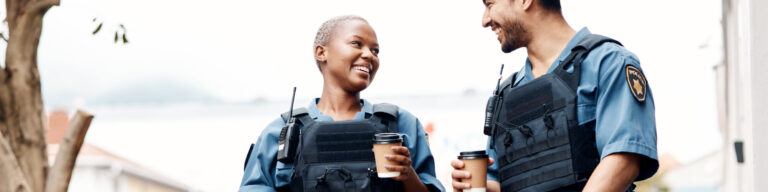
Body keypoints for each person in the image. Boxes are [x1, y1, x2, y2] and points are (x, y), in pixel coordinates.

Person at [450, 0, 658, 191]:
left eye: (490, 4)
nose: (485, 21)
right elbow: (501, 182)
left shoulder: (608, 63)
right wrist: (475, 185)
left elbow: (624, 159)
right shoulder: (505, 95)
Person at [239, 15, 444, 192]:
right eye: (357, 43)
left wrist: (408, 174)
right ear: (321, 52)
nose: (369, 55)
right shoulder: (282, 132)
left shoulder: (401, 125)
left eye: (375, 51)